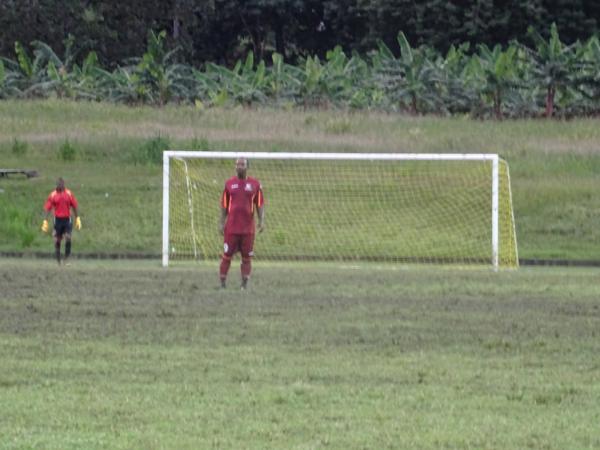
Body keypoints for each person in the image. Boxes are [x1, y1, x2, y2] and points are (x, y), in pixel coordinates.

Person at [219, 157, 265, 289]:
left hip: (248, 230)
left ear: (247, 167)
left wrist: (262, 220)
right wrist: (221, 223)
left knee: (246, 258)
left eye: (242, 164)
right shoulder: (229, 184)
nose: (239, 167)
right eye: (237, 164)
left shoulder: (255, 185)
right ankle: (222, 284)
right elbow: (224, 205)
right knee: (226, 256)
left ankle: (244, 285)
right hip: (231, 229)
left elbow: (260, 204)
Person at [41, 177, 81, 265]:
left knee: (68, 237)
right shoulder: (53, 195)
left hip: (67, 219)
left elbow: (74, 206)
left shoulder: (69, 193)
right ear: (56, 185)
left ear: (64, 184)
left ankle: (66, 259)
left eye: (61, 184)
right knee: (57, 240)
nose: (60, 186)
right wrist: (45, 221)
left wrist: (77, 218)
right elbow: (48, 208)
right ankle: (58, 259)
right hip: (58, 220)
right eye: (58, 184)